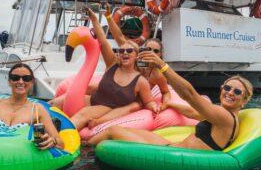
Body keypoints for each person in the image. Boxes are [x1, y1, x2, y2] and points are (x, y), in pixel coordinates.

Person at [89, 54, 252, 152]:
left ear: (244, 101)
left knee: (112, 131)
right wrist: (171, 104)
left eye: (237, 92)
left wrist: (163, 66)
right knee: (128, 131)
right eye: (228, 87)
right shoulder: (223, 117)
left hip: (169, 154)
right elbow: (193, 113)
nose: (230, 92)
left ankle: (81, 152)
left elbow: (190, 95)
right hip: (172, 146)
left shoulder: (225, 117)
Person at [58, 8, 154, 131]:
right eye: (121, 51)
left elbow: (148, 101)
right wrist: (94, 19)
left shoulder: (140, 81)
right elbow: (102, 41)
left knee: (82, 115)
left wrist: (154, 106)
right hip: (93, 99)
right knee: (56, 102)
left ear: (136, 55)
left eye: (129, 51)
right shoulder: (112, 64)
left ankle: (58, 139)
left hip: (108, 108)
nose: (125, 53)